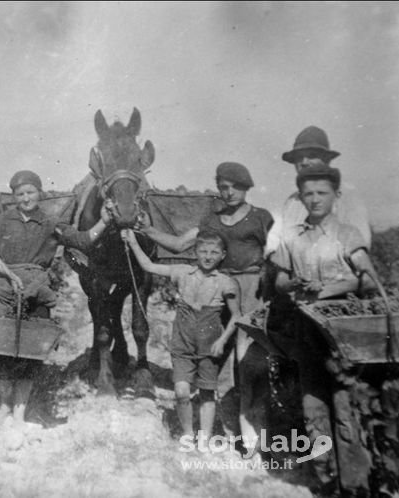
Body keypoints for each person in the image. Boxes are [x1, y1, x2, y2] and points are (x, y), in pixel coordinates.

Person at [140, 162, 274, 457]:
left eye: (234, 187)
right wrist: (146, 229)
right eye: (223, 187)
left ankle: (253, 437)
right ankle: (226, 433)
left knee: (250, 363)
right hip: (219, 292)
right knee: (219, 367)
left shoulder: (261, 218)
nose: (228, 193)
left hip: (251, 292)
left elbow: (276, 255)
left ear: (246, 187)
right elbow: (177, 245)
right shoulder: (211, 220)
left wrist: (269, 293)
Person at [271, 164, 384, 496]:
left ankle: (355, 488)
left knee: (346, 415)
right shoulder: (292, 236)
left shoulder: (347, 234)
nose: (315, 199)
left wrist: (326, 288)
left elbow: (366, 277)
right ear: (300, 197)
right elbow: (279, 280)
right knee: (314, 415)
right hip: (307, 335)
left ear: (336, 195)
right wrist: (291, 282)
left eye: (322, 193)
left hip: (342, 341)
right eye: (308, 193)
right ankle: (327, 484)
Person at [0, 170, 111, 429]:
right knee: (0, 347)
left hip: (36, 289)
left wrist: (104, 222)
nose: (26, 198)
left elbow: (82, 240)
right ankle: (3, 407)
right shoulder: (4, 220)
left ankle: (20, 411)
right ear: (14, 197)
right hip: (2, 288)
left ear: (39, 193)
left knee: (30, 350)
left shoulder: (51, 222)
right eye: (20, 194)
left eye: (30, 192)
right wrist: (8, 273)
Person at [122, 228, 241, 448]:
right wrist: (133, 243)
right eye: (203, 251)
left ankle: (204, 439)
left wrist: (222, 340)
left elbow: (236, 316)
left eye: (214, 252)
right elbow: (148, 266)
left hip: (209, 344)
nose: (207, 256)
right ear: (195, 252)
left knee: (207, 393)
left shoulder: (227, 283)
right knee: (181, 391)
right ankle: (188, 434)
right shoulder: (182, 272)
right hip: (182, 342)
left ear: (223, 255)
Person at [266, 125, 371, 254]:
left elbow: (361, 241)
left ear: (326, 160)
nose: (304, 162)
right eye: (299, 157)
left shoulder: (346, 196)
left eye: (311, 156)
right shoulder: (293, 201)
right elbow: (276, 240)